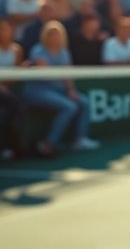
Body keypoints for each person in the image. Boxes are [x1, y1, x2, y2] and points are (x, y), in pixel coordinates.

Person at [22, 21, 99, 157]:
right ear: (45, 35)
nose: (54, 37)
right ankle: (48, 144)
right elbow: (46, 72)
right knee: (69, 107)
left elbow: (67, 75)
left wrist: (71, 91)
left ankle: (80, 139)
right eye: (50, 34)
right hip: (37, 91)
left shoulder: (64, 53)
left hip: (58, 91)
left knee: (83, 102)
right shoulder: (38, 50)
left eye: (56, 34)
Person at [0, 18, 26, 159]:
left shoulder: (17, 50)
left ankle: (13, 148)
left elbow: (16, 76)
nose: (3, 32)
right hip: (6, 94)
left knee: (6, 114)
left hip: (8, 93)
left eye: (6, 28)